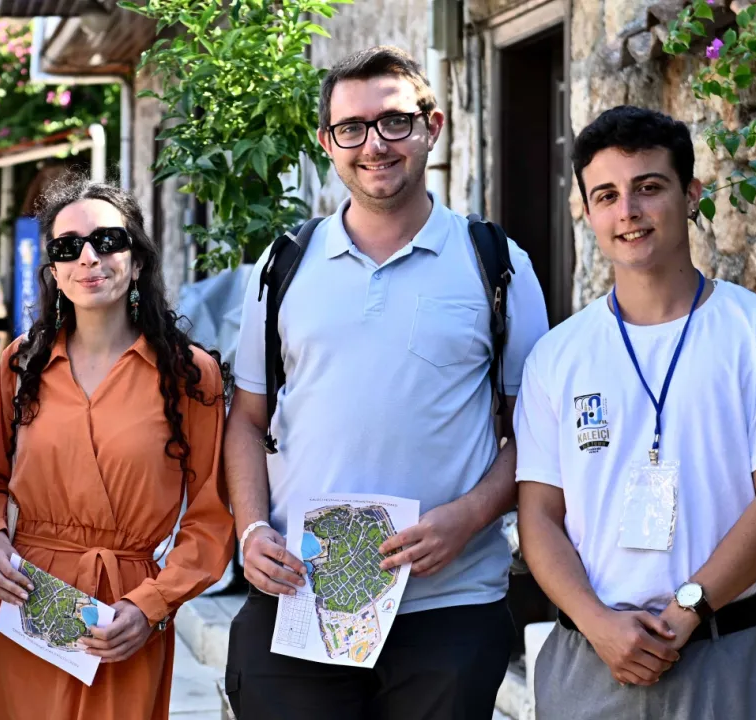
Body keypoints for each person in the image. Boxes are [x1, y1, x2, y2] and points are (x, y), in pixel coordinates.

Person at [222, 45, 550, 719]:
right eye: (352, 128)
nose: (374, 145)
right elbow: (248, 419)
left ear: (433, 126)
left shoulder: (497, 264)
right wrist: (251, 530)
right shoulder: (283, 266)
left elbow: (536, 435)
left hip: (449, 605)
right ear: (327, 143)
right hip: (301, 600)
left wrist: (470, 517)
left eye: (395, 121)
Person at [514, 105, 756, 719]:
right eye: (606, 195)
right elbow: (539, 516)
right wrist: (597, 622)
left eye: (649, 187)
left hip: (727, 650)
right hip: (589, 658)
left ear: (692, 195)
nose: (627, 211)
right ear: (586, 211)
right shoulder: (557, 355)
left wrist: (689, 608)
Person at [0, 175, 235, 720]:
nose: (89, 258)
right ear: (54, 271)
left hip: (123, 618)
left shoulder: (189, 374)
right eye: (68, 248)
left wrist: (153, 604)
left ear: (137, 261)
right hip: (25, 602)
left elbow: (212, 517)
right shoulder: (21, 364)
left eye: (107, 241)